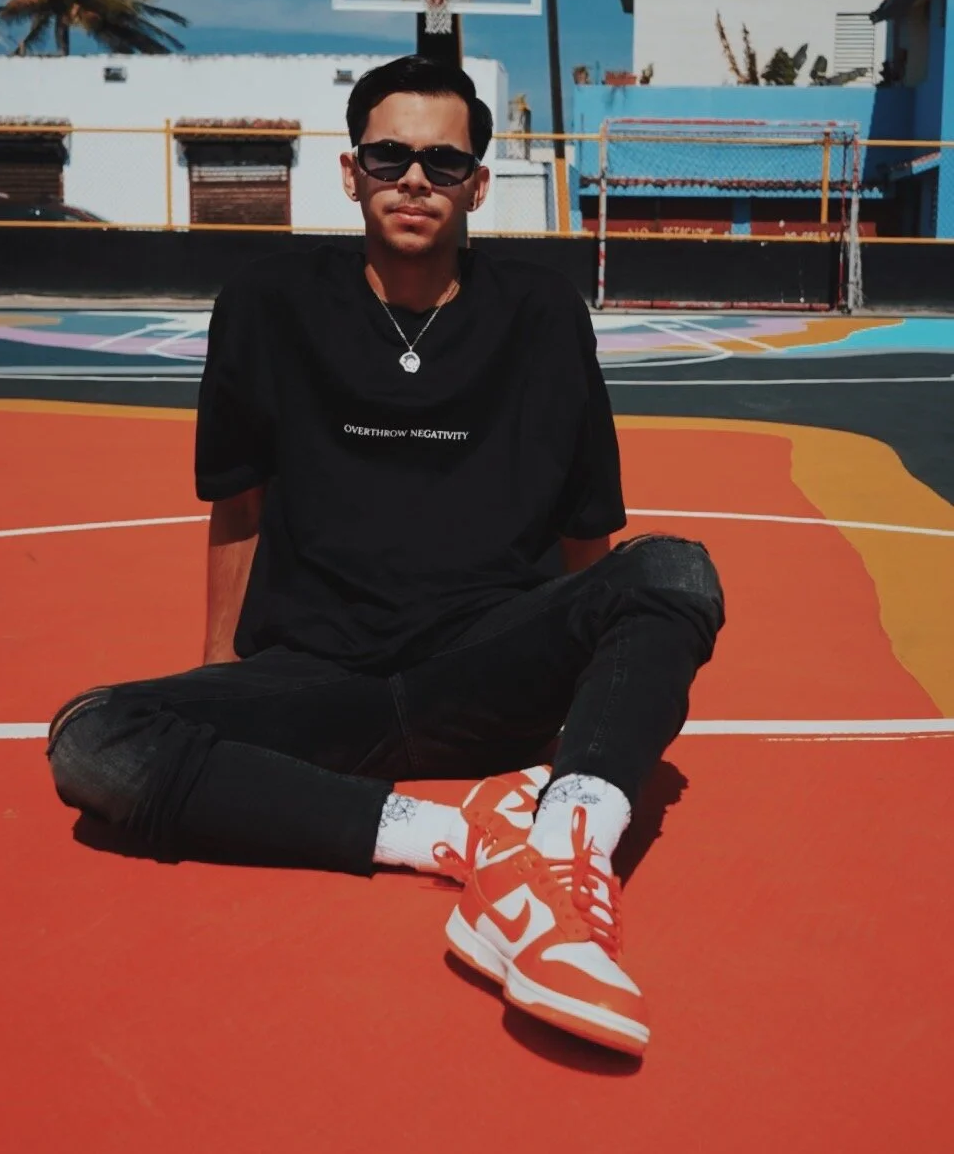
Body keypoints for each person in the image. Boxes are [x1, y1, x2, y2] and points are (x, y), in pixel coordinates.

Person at [48, 55, 724, 1057]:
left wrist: (589, 702)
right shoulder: (266, 304)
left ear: (478, 184)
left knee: (673, 569)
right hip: (317, 676)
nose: (415, 178)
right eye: (390, 155)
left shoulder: (540, 314)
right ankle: (458, 840)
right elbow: (237, 506)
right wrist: (218, 680)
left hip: (482, 672)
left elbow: (592, 531)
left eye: (443, 162)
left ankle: (567, 839)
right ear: (352, 170)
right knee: (93, 737)